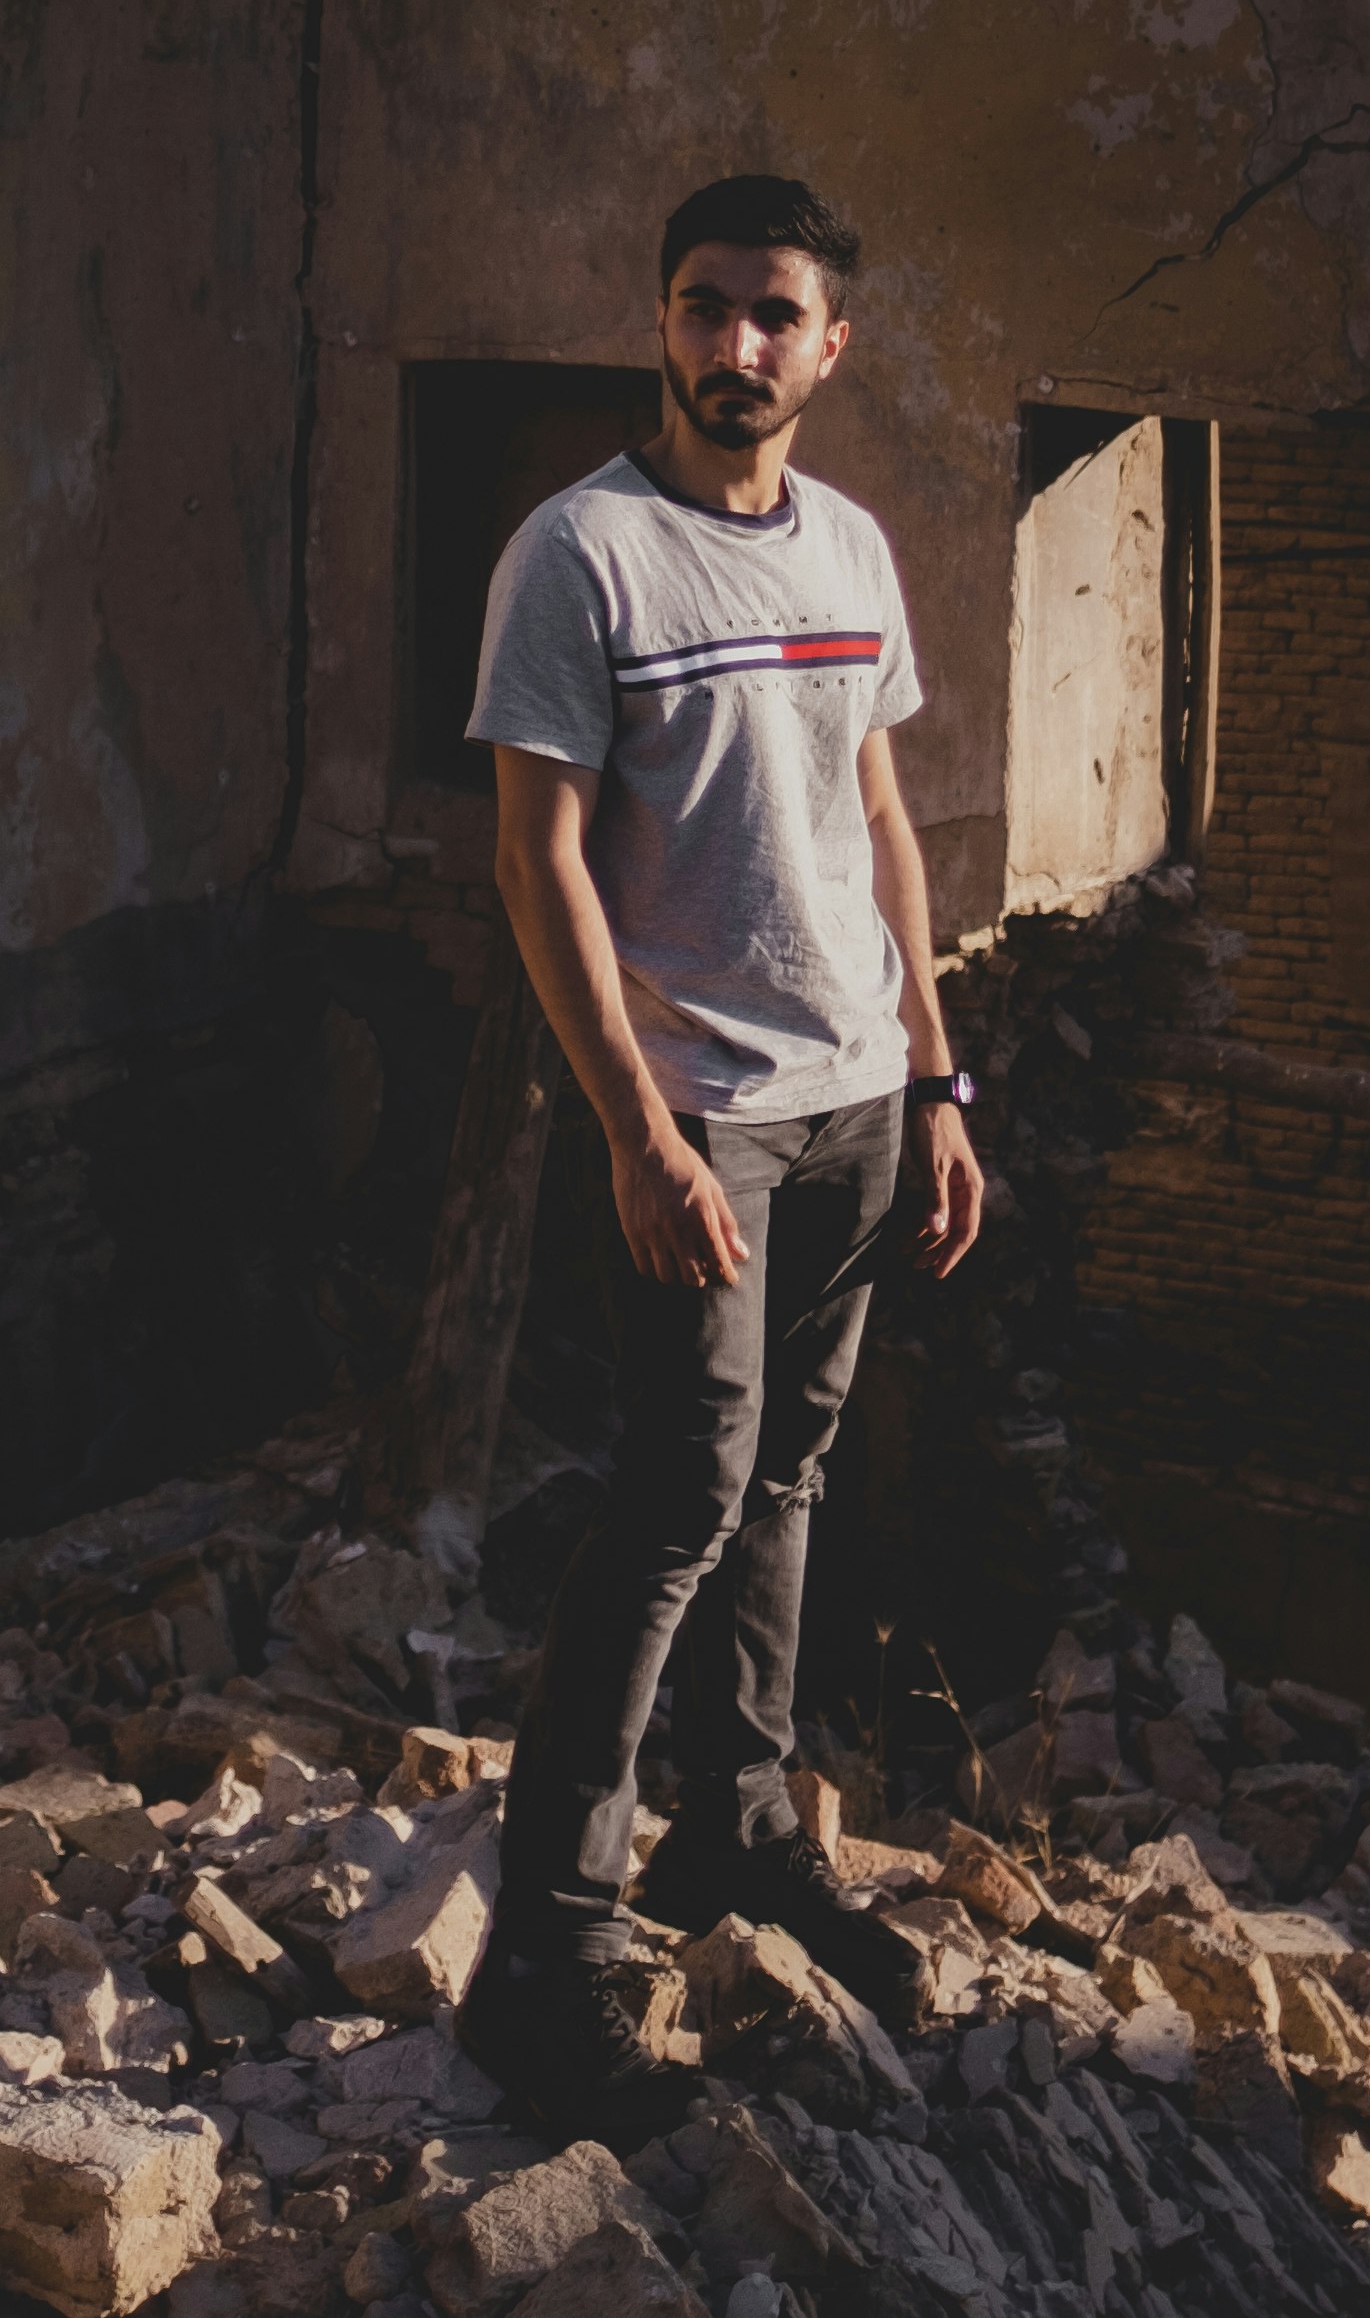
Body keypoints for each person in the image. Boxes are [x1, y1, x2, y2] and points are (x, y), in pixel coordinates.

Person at [451, 172, 982, 2132]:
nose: (734, 347)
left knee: (791, 1475)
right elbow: (538, 859)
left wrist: (936, 1077)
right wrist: (634, 1128)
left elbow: (881, 815)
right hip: (707, 1122)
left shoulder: (849, 541)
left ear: (831, 344)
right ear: (659, 323)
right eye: (703, 308)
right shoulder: (581, 557)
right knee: (679, 1498)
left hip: (857, 1098)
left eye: (775, 316)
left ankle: (743, 1834)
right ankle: (545, 1956)